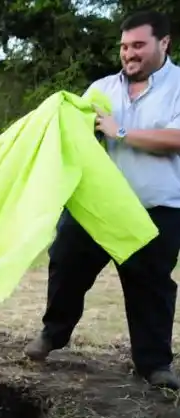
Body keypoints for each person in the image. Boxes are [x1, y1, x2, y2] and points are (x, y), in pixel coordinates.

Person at [24, 10, 180, 391]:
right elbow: (72, 132)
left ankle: (154, 364)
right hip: (96, 206)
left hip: (156, 209)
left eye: (139, 45)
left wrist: (121, 131)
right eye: (125, 46)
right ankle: (53, 334)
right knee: (66, 265)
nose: (130, 54)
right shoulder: (101, 89)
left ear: (164, 43)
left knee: (151, 286)